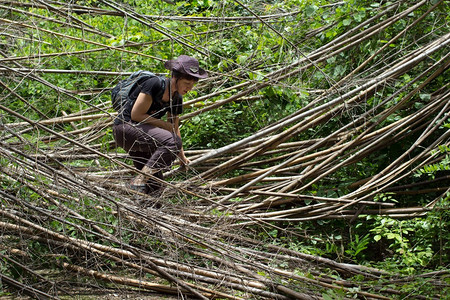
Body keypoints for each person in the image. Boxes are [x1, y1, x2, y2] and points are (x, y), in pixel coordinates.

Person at [113, 55, 208, 194]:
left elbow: (174, 128)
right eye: (187, 83)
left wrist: (182, 156)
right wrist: (163, 125)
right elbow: (136, 115)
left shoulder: (176, 98)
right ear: (176, 77)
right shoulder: (155, 84)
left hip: (143, 137)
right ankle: (139, 179)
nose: (190, 88)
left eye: (192, 84)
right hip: (125, 128)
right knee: (172, 142)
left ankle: (139, 206)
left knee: (155, 187)